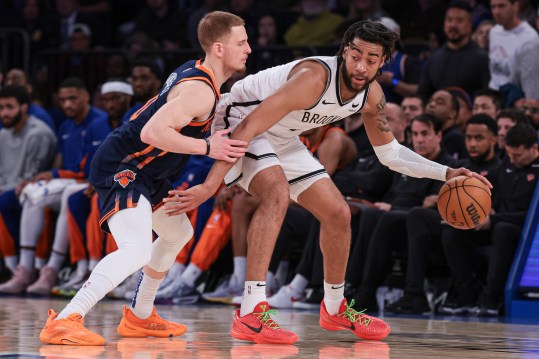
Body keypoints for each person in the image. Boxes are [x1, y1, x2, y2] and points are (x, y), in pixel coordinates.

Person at [166, 20, 491, 344]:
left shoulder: (371, 95)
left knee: (338, 213)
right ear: (344, 51)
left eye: (372, 59)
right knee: (276, 194)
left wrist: (447, 173)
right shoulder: (315, 79)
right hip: (238, 121)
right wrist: (211, 186)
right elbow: (248, 127)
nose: (361, 66)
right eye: (355, 55)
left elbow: (390, 153)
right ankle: (250, 312)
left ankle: (334, 309)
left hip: (282, 134)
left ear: (383, 62)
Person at [39, 11, 250, 346]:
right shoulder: (201, 90)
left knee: (178, 231)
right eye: (241, 42)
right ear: (219, 48)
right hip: (124, 166)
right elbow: (154, 131)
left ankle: (140, 315)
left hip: (148, 173)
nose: (249, 48)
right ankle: (65, 319)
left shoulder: (198, 74)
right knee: (136, 248)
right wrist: (208, 146)